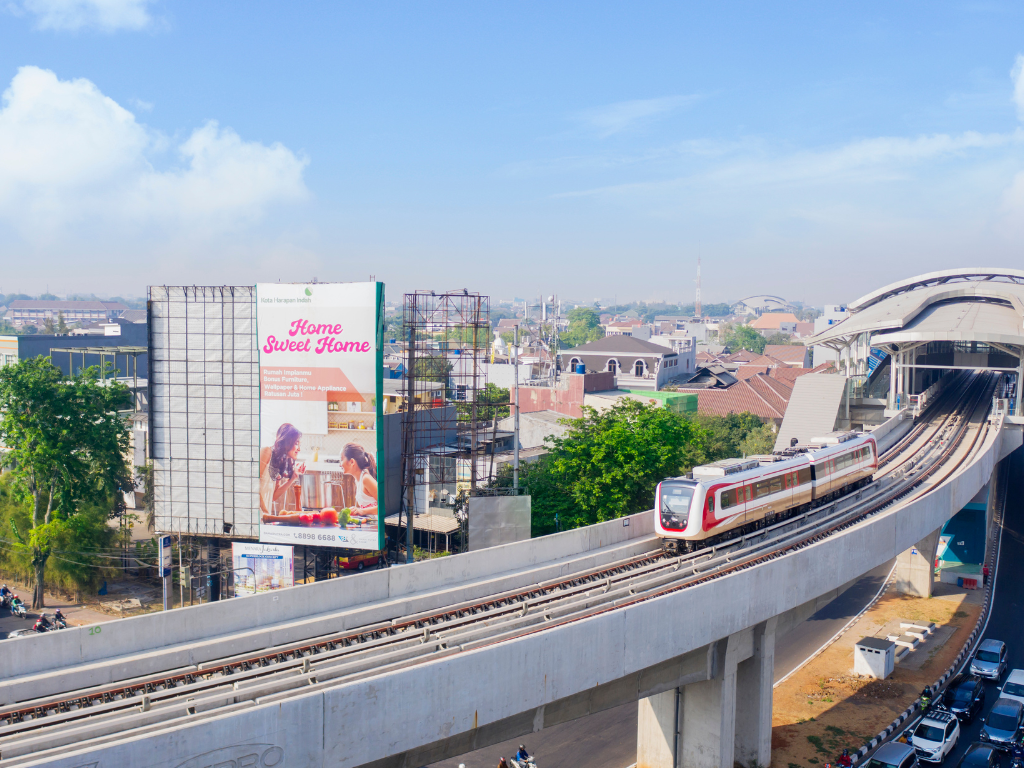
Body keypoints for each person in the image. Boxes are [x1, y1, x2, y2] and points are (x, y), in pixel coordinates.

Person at [260, 423, 306, 521]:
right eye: (296, 443)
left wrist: (293, 478)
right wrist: (265, 511)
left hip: (263, 515)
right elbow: (253, 486)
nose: (299, 449)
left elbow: (274, 496)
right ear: (287, 442)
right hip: (255, 512)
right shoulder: (266, 451)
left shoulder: (279, 461)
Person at [341, 443, 378, 516]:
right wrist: (357, 510)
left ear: (352, 462)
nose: (340, 464)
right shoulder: (358, 479)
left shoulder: (366, 479)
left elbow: (385, 506)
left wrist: (362, 511)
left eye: (341, 459)